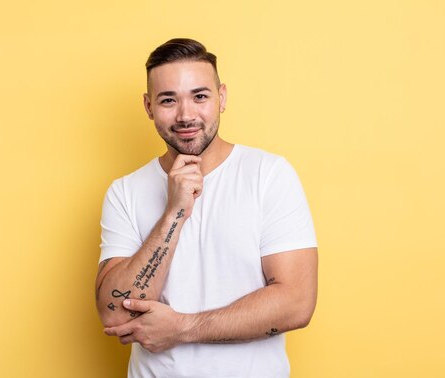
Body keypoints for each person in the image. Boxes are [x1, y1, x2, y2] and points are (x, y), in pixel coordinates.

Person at [95, 38, 318, 378]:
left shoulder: (268, 175)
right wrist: (174, 214)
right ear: (148, 106)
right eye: (168, 100)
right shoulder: (124, 192)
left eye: (200, 96)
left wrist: (183, 328)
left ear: (222, 98)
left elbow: (296, 303)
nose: (186, 115)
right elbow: (115, 313)